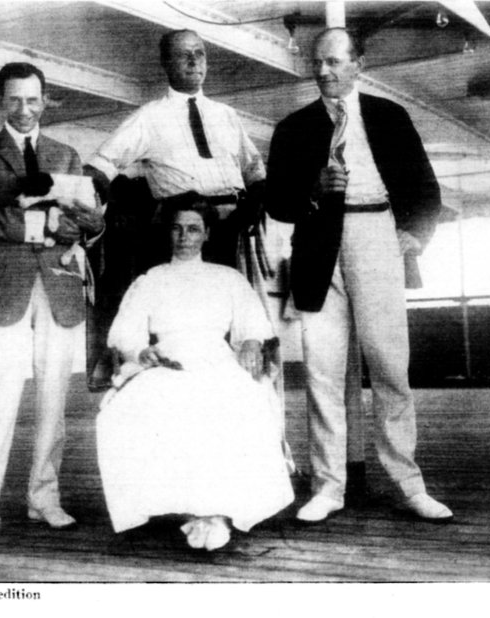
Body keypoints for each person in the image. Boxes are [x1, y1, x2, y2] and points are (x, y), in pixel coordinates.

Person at [265, 28, 452, 524]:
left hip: (377, 236)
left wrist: (414, 233)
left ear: (357, 65)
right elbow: (277, 202)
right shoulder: (293, 128)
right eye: (317, 63)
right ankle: (328, 488)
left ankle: (409, 486)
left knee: (390, 368)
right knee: (322, 373)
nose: (323, 71)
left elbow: (426, 189)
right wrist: (312, 188)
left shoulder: (390, 116)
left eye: (333, 61)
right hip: (316, 248)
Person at [0, 62, 104, 546]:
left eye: (32, 99)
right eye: (14, 99)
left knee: (54, 400)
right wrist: (41, 225)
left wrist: (87, 222)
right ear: (1, 100)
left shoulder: (66, 154)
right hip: (3, 286)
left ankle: (44, 498)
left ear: (45, 100)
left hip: (59, 284)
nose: (24, 108)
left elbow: (86, 224)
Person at [96, 196, 294, 551]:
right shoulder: (151, 279)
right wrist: (140, 351)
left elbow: (252, 324)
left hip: (218, 360)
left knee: (235, 400)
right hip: (166, 362)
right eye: (176, 228)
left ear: (207, 234)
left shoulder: (227, 277)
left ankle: (217, 511)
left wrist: (250, 342)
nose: (184, 237)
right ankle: (184, 507)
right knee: (136, 407)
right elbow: (126, 332)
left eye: (193, 229)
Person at [81, 28, 267, 388]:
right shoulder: (149, 116)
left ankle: (227, 394)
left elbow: (255, 171)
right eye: (184, 54)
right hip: (178, 228)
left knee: (228, 317)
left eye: (200, 53)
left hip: (228, 229)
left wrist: (253, 207)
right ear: (166, 63)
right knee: (176, 320)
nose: (194, 61)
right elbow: (102, 165)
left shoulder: (227, 115)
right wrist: (82, 198)